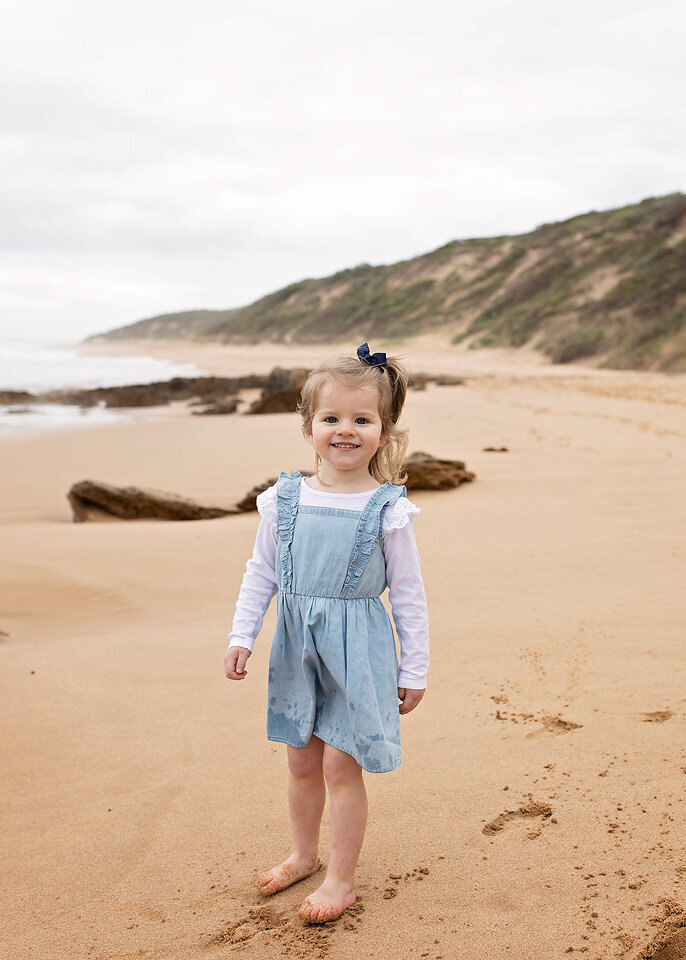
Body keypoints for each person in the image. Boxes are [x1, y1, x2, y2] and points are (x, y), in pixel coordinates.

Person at [224, 342, 429, 924]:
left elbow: (409, 597)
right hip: (296, 649)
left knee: (342, 766)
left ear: (383, 431)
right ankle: (303, 855)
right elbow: (260, 573)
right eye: (332, 418)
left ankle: (340, 878)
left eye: (362, 420)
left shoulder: (388, 510)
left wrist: (415, 668)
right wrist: (242, 635)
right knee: (299, 760)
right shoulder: (283, 499)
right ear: (309, 425)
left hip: (357, 653)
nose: (346, 430)